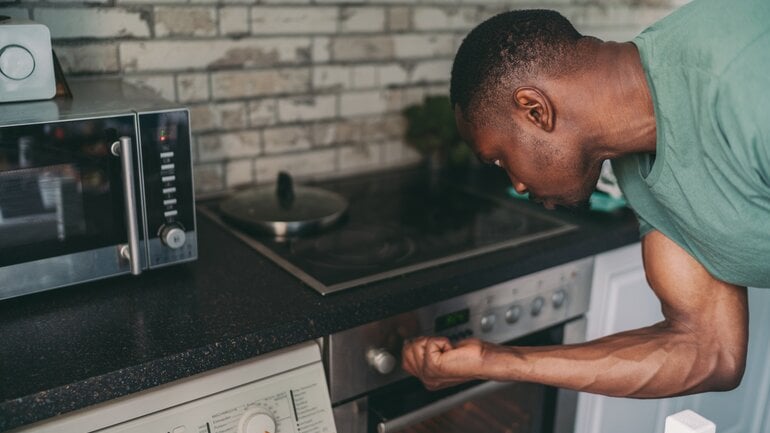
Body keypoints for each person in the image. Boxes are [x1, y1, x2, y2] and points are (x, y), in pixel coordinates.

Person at [402, 0, 770, 399]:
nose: (518, 186)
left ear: (534, 109)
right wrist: (493, 361)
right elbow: (707, 351)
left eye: (500, 159)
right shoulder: (640, 171)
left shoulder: (741, 76)